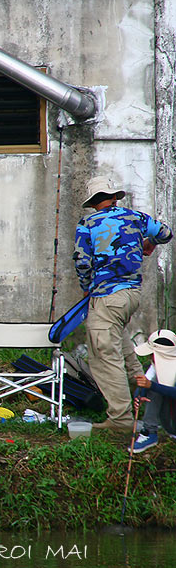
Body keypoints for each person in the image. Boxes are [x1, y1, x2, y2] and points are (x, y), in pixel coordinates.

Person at [73, 176, 172, 432]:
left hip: (106, 295)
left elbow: (82, 262)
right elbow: (166, 233)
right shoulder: (137, 218)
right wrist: (149, 243)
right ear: (115, 197)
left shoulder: (88, 223)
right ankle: (141, 391)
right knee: (121, 342)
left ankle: (121, 420)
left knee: (104, 355)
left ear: (94, 202)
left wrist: (87, 288)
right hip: (131, 295)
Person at [130, 329, 176, 453]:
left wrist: (151, 386)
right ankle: (149, 432)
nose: (151, 357)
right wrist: (139, 395)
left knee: (155, 386)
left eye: (153, 354)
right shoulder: (157, 365)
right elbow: (146, 381)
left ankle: (150, 431)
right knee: (154, 385)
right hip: (169, 421)